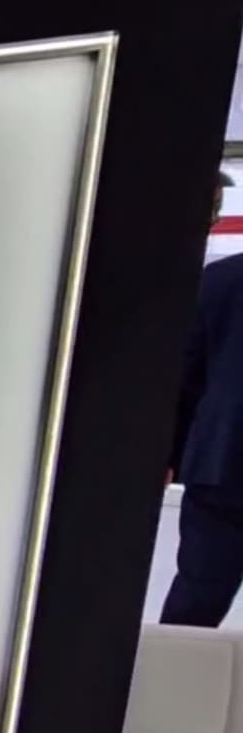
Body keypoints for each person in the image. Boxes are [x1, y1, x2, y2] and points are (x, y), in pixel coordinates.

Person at [163, 170, 243, 626]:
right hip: (219, 470)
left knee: (195, 601)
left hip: (220, 466)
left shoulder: (219, 280)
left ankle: (165, 671)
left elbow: (186, 380)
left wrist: (169, 454)